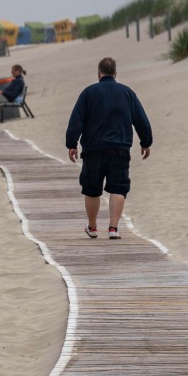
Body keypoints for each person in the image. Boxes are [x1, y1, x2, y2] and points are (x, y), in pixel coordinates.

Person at [65, 57, 153, 239]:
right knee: (118, 188)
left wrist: (71, 144)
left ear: (99, 73)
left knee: (91, 189)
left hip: (93, 150)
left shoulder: (88, 93)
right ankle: (113, 228)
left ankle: (93, 227)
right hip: (119, 149)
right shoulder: (127, 93)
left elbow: (76, 120)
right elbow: (141, 119)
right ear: (115, 74)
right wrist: (146, 141)